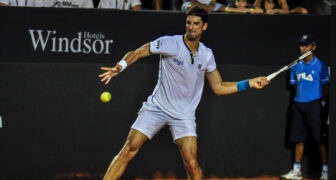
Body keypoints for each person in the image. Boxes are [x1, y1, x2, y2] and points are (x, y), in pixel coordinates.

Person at [98, 6, 269, 180]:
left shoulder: (207, 55)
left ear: (204, 27)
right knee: (128, 150)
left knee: (192, 164)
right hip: (157, 107)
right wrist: (121, 65)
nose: (191, 27)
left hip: (184, 115)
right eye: (188, 23)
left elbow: (219, 87)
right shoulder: (171, 43)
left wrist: (249, 83)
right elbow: (139, 52)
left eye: (196, 24)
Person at [281, 34, 329, 180]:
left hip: (314, 105)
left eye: (306, 45)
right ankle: (296, 171)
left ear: (313, 47)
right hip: (298, 105)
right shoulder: (295, 66)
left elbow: (326, 87)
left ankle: (325, 171)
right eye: (301, 45)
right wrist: (300, 99)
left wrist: (321, 103)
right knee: (298, 139)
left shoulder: (321, 65)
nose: (303, 48)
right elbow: (295, 86)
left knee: (319, 139)